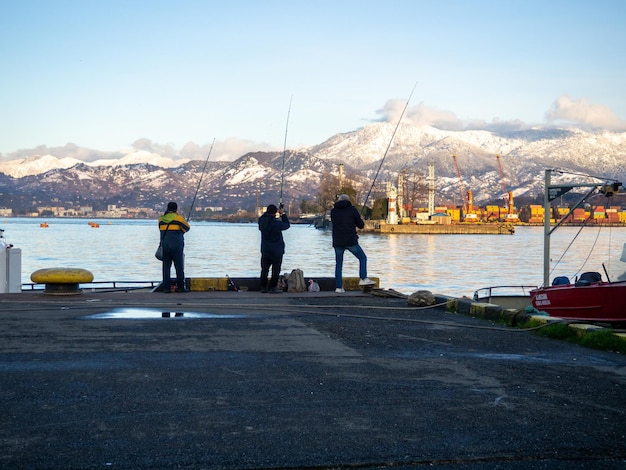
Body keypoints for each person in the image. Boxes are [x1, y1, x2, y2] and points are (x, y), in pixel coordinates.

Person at [330, 194, 376, 293]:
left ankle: (338, 287)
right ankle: (363, 278)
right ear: (348, 201)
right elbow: (361, 225)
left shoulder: (333, 211)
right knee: (362, 258)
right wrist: (358, 218)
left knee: (339, 264)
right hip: (350, 240)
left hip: (337, 241)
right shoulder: (352, 210)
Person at [158, 201, 190, 293]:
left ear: (167, 208)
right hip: (177, 247)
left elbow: (161, 230)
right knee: (179, 267)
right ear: (176, 209)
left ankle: (166, 288)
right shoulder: (179, 219)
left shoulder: (161, 219)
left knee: (166, 268)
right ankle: (180, 287)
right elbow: (187, 228)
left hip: (165, 247)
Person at [258, 204, 290, 293]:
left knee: (264, 269)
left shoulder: (261, 221)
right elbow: (287, 225)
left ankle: (263, 287)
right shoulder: (276, 223)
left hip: (265, 249)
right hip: (277, 250)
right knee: (276, 270)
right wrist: (282, 214)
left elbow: (265, 217)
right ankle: (272, 287)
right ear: (275, 212)